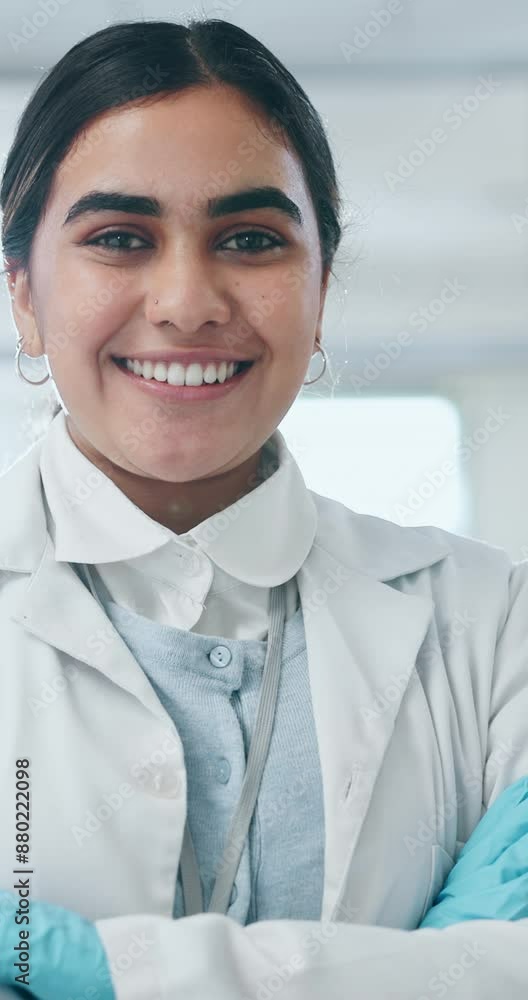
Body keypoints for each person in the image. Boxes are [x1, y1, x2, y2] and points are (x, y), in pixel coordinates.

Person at [0, 17, 527, 1000]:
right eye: (120, 238)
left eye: (251, 239)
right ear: (24, 289)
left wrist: (109, 974)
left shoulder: (494, 621)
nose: (188, 300)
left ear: (321, 288)